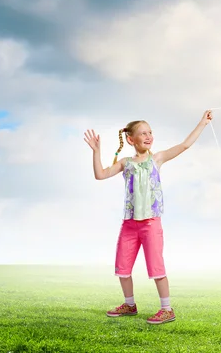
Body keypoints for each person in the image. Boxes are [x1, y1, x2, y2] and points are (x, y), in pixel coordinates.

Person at [84, 110, 213, 325]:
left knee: (156, 268)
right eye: (143, 133)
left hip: (151, 223)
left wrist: (202, 123)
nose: (148, 136)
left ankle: (166, 309)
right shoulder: (126, 163)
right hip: (130, 224)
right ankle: (129, 304)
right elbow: (100, 174)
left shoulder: (157, 158)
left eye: (150, 132)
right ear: (130, 139)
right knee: (122, 268)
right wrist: (96, 151)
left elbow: (184, 145)